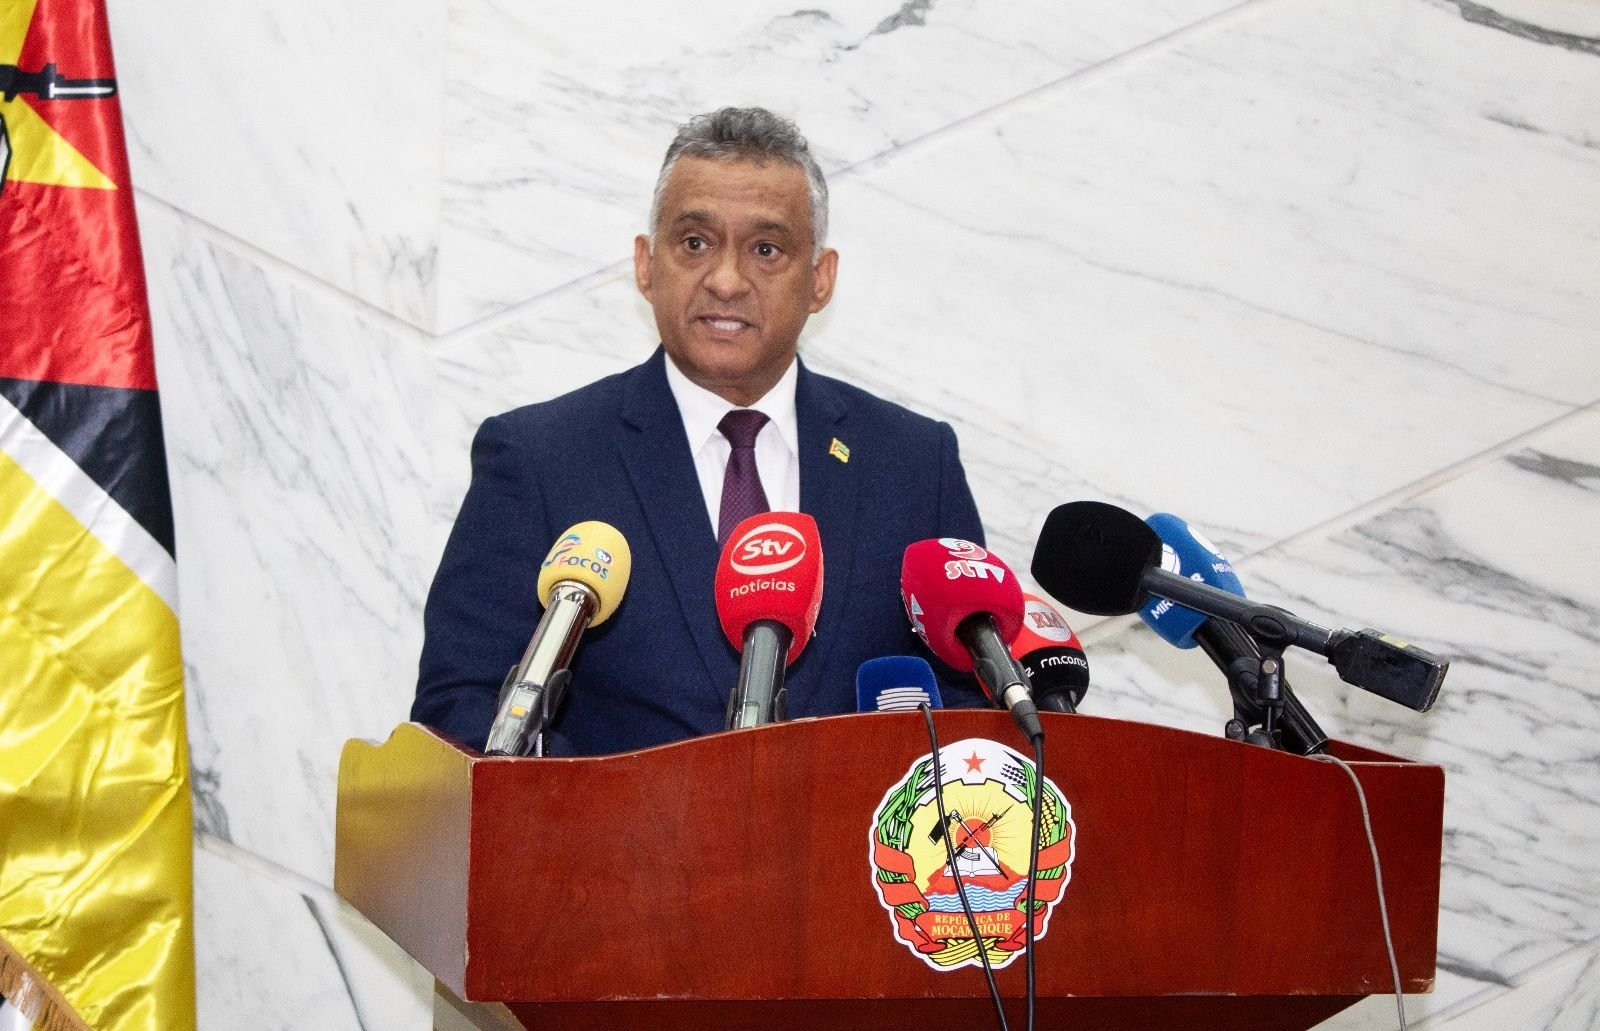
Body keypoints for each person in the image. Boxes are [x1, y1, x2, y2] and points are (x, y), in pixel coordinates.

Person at [413, 107, 988, 756]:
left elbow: (973, 716)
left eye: (766, 249)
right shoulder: (539, 459)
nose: (726, 280)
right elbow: (459, 716)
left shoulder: (914, 464)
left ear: (820, 278)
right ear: (645, 264)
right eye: (694, 243)